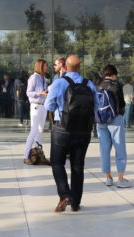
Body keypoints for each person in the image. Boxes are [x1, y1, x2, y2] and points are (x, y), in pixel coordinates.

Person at [44, 55, 97, 213]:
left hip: (62, 129)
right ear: (80, 68)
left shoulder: (59, 82)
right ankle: (75, 204)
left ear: (65, 67)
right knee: (78, 166)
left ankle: (65, 194)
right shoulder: (89, 84)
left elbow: (49, 105)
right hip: (83, 131)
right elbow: (96, 108)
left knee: (57, 163)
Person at [97, 64, 129, 187]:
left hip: (101, 121)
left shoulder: (97, 85)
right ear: (114, 74)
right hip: (115, 119)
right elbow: (121, 103)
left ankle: (108, 178)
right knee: (120, 148)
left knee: (104, 150)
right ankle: (120, 179)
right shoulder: (117, 85)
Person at [23, 59, 49, 164]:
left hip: (43, 106)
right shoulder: (33, 78)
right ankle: (25, 156)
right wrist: (39, 93)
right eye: (45, 66)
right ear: (40, 66)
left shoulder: (44, 78)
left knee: (40, 131)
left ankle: (38, 154)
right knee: (33, 131)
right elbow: (28, 92)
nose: (47, 67)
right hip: (35, 106)